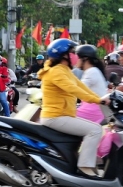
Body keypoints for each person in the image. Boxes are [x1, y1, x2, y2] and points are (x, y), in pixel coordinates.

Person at [38, 39, 110, 178]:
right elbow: (73, 89)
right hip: (55, 117)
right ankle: (84, 167)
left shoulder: (64, 70)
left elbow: (81, 86)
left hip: (63, 115)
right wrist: (98, 100)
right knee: (95, 130)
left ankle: (75, 163)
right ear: (64, 55)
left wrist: (102, 98)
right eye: (72, 52)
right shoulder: (56, 72)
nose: (75, 55)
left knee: (88, 131)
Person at [75, 44, 108, 124]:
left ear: (85, 58)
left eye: (77, 57)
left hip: (93, 110)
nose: (75, 60)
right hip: (93, 108)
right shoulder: (92, 71)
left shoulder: (92, 72)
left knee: (64, 117)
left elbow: (77, 90)